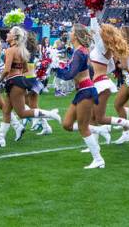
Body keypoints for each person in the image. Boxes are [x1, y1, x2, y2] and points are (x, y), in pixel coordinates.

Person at [0, 26, 61, 148]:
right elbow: (26, 69)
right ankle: (0, 139)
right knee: (6, 111)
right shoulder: (21, 50)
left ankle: (50, 114)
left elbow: (6, 69)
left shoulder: (11, 50)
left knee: (22, 113)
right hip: (18, 80)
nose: (7, 34)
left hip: (14, 82)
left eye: (10, 33)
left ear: (14, 37)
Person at [54, 24, 104, 169]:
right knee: (67, 124)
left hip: (86, 90)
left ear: (76, 36)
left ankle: (98, 159)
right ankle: (99, 130)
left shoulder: (79, 52)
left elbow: (70, 74)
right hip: (82, 90)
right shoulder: (79, 50)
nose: (70, 33)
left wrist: (55, 69)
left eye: (72, 32)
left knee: (83, 128)